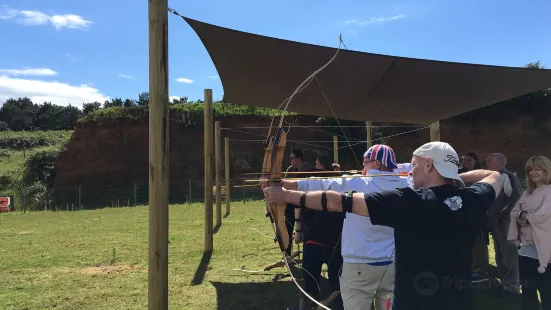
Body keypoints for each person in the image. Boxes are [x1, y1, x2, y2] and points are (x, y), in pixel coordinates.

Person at [263, 141, 502, 310]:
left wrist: (283, 193)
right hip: (449, 296)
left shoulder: (408, 200)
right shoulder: (473, 200)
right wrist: (453, 177)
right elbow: (494, 176)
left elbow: (334, 198)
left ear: (429, 165)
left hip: (387, 284)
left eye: (414, 165)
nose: (409, 169)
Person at [283, 144, 408, 310]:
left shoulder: (358, 183)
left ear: (377, 164)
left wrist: (283, 185)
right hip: (391, 266)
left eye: (366, 163)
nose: (363, 167)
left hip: (359, 267)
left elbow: (322, 185)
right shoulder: (408, 184)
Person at [292, 155, 345, 310]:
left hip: (322, 242)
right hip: (330, 243)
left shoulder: (316, 187)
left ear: (322, 167)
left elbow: (298, 204)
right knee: (331, 286)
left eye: (317, 165)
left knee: (325, 285)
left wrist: (298, 231)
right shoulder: (342, 186)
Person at [508, 155, 551, 310]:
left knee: (547, 293)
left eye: (537, 169)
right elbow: (514, 213)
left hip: (545, 252)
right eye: (530, 169)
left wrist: (524, 215)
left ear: (546, 170)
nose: (533, 172)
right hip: (526, 250)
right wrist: (524, 216)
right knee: (527, 290)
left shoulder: (549, 192)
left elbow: (542, 217)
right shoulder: (528, 193)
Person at [484, 153, 523, 295]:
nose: (486, 162)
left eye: (490, 160)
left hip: (506, 223)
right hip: (496, 222)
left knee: (508, 254)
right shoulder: (492, 176)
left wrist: (504, 215)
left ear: (500, 161)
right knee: (500, 254)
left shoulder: (507, 176)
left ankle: (512, 286)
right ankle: (504, 283)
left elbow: (517, 198)